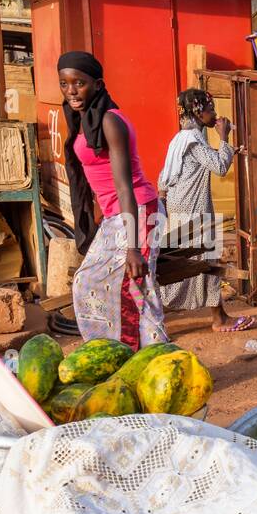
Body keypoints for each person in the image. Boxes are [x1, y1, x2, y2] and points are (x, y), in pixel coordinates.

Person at [59, 51, 168, 350]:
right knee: (86, 282)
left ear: (98, 84)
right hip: (115, 215)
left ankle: (154, 356)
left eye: (79, 83)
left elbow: (124, 188)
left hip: (137, 211)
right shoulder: (83, 119)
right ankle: (112, 352)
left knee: (136, 287)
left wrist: (133, 248)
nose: (71, 91)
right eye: (65, 84)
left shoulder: (109, 122)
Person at [157, 88, 252, 332]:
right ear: (198, 112)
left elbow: (165, 178)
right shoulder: (193, 140)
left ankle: (161, 311)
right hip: (193, 208)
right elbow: (219, 166)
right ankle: (217, 318)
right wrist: (224, 138)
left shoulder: (181, 138)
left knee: (186, 261)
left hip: (181, 205)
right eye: (211, 110)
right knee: (201, 261)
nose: (215, 115)